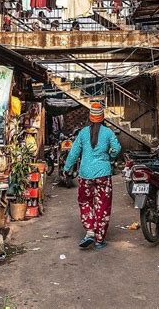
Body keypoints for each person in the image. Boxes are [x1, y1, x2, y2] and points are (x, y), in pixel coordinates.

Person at [63, 101, 121, 249]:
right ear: (102, 118)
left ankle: (90, 230)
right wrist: (109, 158)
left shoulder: (82, 133)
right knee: (103, 205)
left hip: (85, 175)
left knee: (85, 202)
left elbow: (74, 152)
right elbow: (116, 149)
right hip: (103, 174)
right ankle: (100, 240)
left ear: (90, 117)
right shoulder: (108, 133)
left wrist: (67, 168)